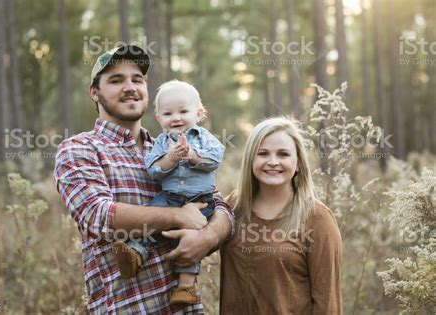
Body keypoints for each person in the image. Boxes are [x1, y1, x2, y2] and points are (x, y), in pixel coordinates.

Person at [53, 45, 234, 314]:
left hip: (186, 308)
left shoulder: (166, 147)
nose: (130, 87)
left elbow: (219, 206)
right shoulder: (80, 149)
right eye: (116, 80)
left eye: (137, 79)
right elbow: (97, 215)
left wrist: (208, 237)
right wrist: (178, 216)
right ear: (95, 92)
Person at [113, 80, 225, 305]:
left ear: (198, 113)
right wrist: (170, 158)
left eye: (183, 111)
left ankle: (186, 286)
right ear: (158, 118)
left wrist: (193, 156)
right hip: (170, 197)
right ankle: (136, 253)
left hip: (201, 200)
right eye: (168, 113)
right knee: (151, 214)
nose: (176, 118)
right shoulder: (162, 143)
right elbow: (153, 169)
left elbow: (215, 159)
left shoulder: (203, 138)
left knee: (190, 239)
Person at [220, 116, 342, 314]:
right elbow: (197, 245)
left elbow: (327, 301)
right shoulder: (233, 206)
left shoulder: (318, 218)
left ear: (299, 163)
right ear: (251, 159)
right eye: (263, 154)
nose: (273, 162)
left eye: (283, 154)